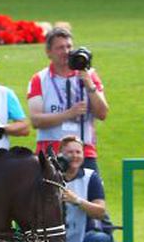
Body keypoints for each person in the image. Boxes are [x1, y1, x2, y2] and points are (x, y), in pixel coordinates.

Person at [28, 26, 109, 170]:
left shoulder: (89, 75)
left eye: (69, 47)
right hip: (50, 152)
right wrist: (68, 114)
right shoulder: (39, 79)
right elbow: (36, 121)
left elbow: (102, 114)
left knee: (92, 186)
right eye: (60, 48)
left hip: (83, 152)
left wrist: (89, 84)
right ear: (49, 52)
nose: (66, 51)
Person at [57, 136, 118, 242]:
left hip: (85, 237)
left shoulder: (91, 177)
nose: (75, 156)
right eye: (70, 152)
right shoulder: (49, 177)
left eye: (78, 152)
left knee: (103, 241)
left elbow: (100, 211)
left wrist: (77, 200)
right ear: (60, 155)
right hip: (54, 239)